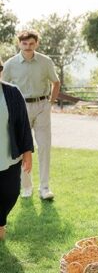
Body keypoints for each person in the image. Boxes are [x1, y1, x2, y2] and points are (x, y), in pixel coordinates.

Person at [2, 30, 59, 201]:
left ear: (37, 43)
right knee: (22, 148)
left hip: (42, 106)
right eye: (24, 43)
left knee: (44, 147)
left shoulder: (45, 62)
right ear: (19, 43)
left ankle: (45, 188)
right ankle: (26, 186)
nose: (28, 47)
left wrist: (50, 103)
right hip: (20, 108)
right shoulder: (10, 64)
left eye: (31, 43)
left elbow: (55, 82)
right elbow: (3, 86)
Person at [0, 62, 34, 240]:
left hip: (8, 156)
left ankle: (0, 221)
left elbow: (23, 124)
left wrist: (27, 151)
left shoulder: (12, 92)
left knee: (11, 193)